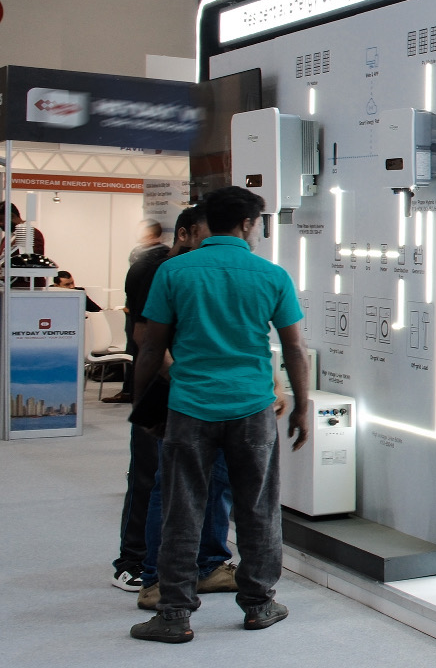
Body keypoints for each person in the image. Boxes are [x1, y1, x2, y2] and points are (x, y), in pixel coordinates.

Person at [129, 186, 309, 643]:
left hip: (189, 406)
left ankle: (174, 614)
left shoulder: (174, 271)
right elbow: (294, 348)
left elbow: (151, 346)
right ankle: (259, 603)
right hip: (251, 408)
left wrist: (141, 404)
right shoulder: (271, 275)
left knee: (182, 508)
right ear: (248, 224)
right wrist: (303, 406)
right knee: (258, 508)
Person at [111, 208, 206, 588]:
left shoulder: (198, 271)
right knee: (148, 476)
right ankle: (132, 561)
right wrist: (183, 377)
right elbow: (144, 338)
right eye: (207, 234)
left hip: (193, 389)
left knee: (191, 481)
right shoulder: (151, 270)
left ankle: (187, 561)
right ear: (185, 234)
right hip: (161, 387)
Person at [105, 220, 170, 404]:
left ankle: (135, 392)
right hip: (136, 309)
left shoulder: (159, 257)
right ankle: (131, 391)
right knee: (135, 349)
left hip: (144, 311)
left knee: (143, 349)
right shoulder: (142, 253)